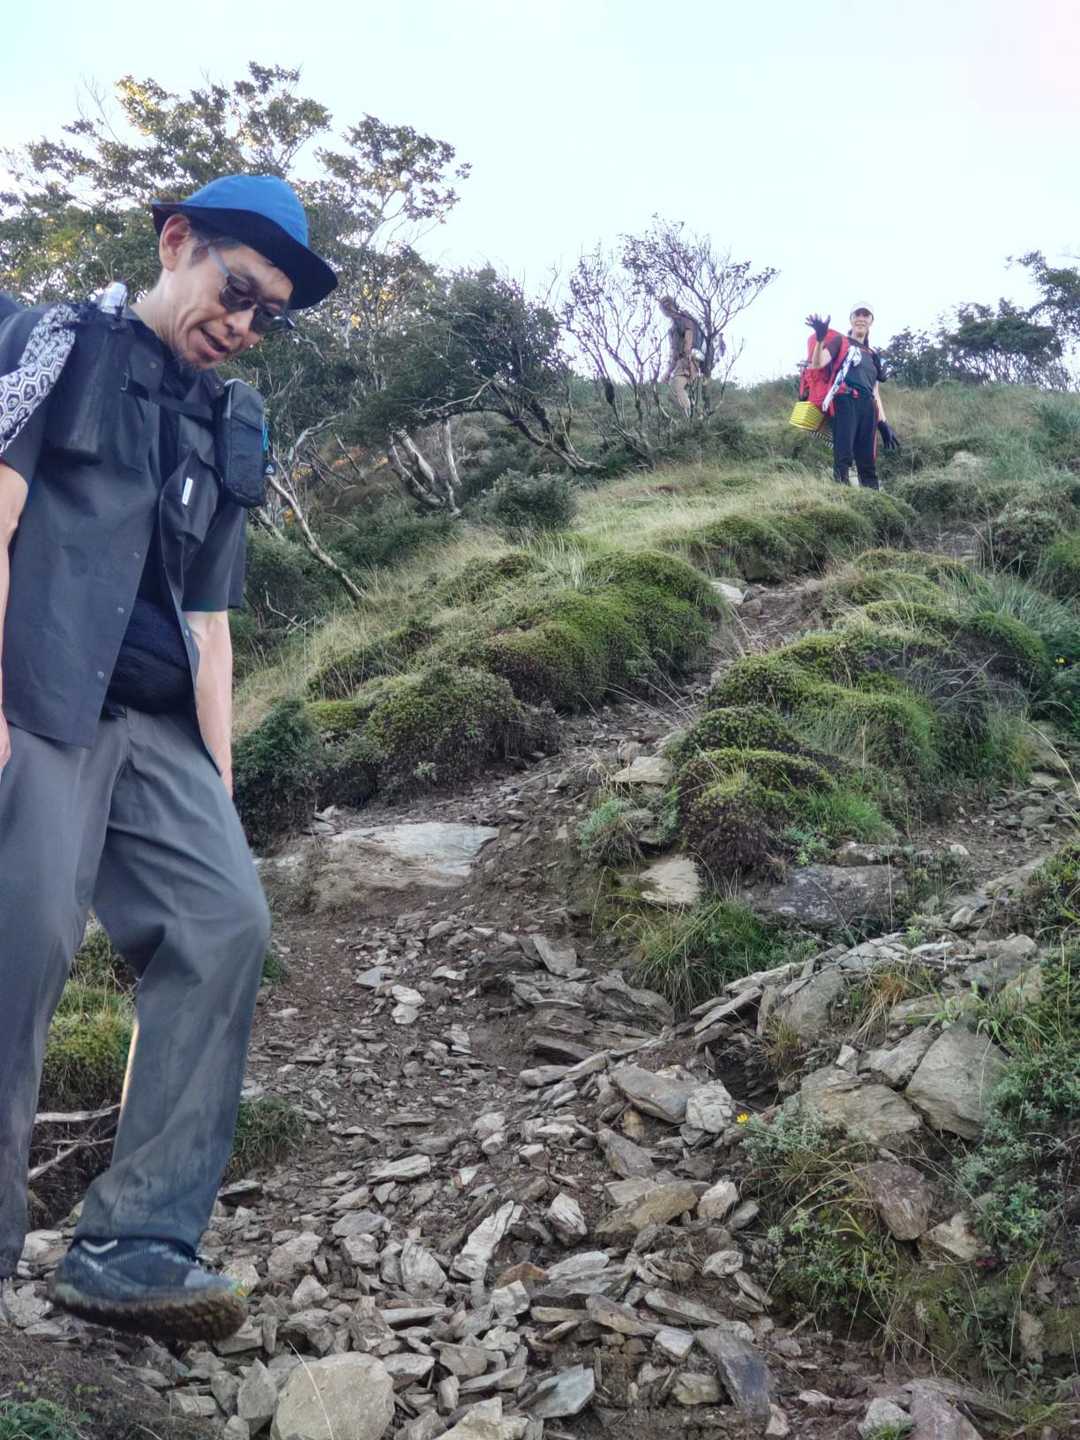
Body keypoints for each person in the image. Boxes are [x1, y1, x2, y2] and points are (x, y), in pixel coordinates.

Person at [0, 174, 336, 1342]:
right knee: (23, 943)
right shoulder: (55, 344)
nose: (243, 324)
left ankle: (135, 1243)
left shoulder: (227, 420)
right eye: (235, 291)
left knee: (224, 920)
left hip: (157, 723)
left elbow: (210, 621)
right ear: (176, 241)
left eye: (266, 315)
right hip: (39, 695)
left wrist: (217, 786)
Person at [805, 306, 898, 488]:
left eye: (866, 315)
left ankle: (872, 499)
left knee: (867, 461)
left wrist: (883, 423)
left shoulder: (873, 355)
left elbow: (875, 392)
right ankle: (842, 497)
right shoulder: (841, 342)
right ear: (851, 319)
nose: (861, 318)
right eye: (857, 315)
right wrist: (820, 339)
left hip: (868, 407)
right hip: (845, 400)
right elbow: (818, 363)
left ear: (871, 321)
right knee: (843, 456)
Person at [658, 295, 704, 417]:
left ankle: (691, 419)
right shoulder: (674, 327)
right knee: (678, 392)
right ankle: (696, 416)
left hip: (688, 360)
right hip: (687, 360)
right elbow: (674, 354)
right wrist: (668, 372)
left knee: (676, 387)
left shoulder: (683, 319)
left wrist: (687, 357)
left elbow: (689, 336)